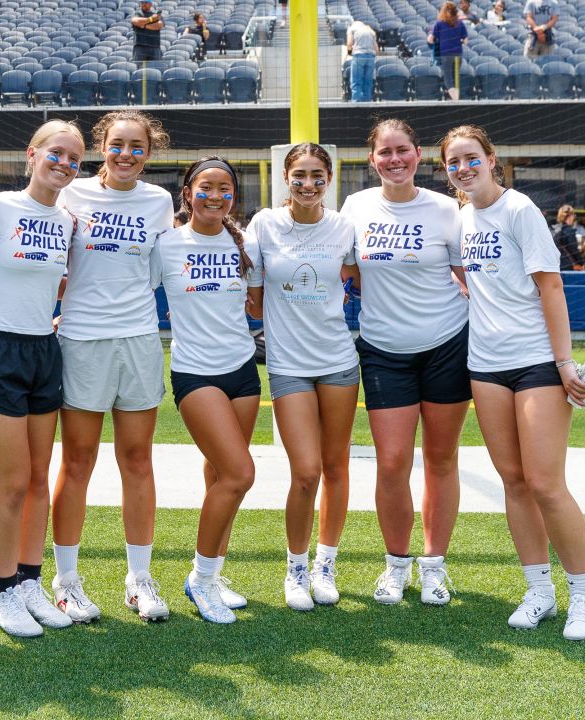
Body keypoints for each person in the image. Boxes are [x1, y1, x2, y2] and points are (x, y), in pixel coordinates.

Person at [441, 123, 585, 641]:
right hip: (485, 364)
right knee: (513, 480)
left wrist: (564, 363)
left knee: (545, 484)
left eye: (471, 158)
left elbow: (550, 286)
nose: (463, 168)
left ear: (491, 159)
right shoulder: (462, 218)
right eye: (453, 163)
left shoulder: (519, 209)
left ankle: (584, 596)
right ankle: (539, 590)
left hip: (536, 361)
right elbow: (473, 278)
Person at [50, 111, 174, 624]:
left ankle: (139, 579)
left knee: (138, 461)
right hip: (81, 340)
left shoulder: (160, 201)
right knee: (77, 463)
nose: (126, 154)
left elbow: (154, 273)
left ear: (150, 151)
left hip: (140, 340)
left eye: (137, 146)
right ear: (102, 145)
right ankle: (66, 581)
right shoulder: (70, 195)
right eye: (117, 144)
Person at [340, 119, 470, 608]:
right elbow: (345, 267)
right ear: (372, 159)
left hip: (446, 344)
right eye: (384, 152)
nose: (395, 160)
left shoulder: (445, 210)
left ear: (418, 155)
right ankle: (396, 565)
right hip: (383, 349)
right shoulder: (355, 207)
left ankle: (434, 566)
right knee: (392, 463)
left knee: (440, 459)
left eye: (403, 151)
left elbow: (467, 275)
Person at [0, 120, 83, 637]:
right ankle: (3, 591)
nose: (64, 164)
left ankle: (31, 582)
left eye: (74, 159)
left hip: (43, 350)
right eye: (56, 153)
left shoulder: (67, 221)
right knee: (12, 482)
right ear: (32, 154)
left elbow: (61, 284)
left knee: (39, 479)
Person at [245, 144, 358, 612]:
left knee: (336, 467)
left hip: (338, 360)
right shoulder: (264, 225)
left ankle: (325, 564)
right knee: (306, 471)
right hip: (288, 364)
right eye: (299, 176)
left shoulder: (345, 228)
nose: (308, 184)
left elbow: (360, 278)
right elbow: (252, 297)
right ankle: (295, 566)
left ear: (329, 179)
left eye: (317, 176)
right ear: (284, 178)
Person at [149, 156, 259, 624]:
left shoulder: (244, 245)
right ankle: (200, 578)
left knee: (220, 478)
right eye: (206, 187)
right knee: (240, 474)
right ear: (188, 192)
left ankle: (215, 574)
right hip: (196, 374)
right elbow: (129, 292)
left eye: (225, 188)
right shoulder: (167, 246)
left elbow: (257, 304)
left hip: (244, 373)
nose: (216, 195)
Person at [428, 2, 469, 101]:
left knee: (448, 80)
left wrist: (438, 42)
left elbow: (430, 39)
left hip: (446, 55)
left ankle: (455, 101)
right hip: (458, 54)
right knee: (456, 79)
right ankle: (456, 100)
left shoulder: (439, 23)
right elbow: (466, 41)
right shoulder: (460, 23)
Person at [346, 20, 379, 103]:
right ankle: (367, 104)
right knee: (368, 82)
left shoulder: (352, 29)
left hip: (358, 56)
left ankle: (356, 104)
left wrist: (350, 53)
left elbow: (349, 44)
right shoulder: (370, 31)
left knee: (356, 81)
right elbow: (377, 50)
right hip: (371, 57)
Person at [552, 206, 584, 271]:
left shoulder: (553, 229)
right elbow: (573, 249)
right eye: (573, 215)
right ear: (569, 216)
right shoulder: (569, 230)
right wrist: (581, 262)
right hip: (568, 266)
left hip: (554, 264)